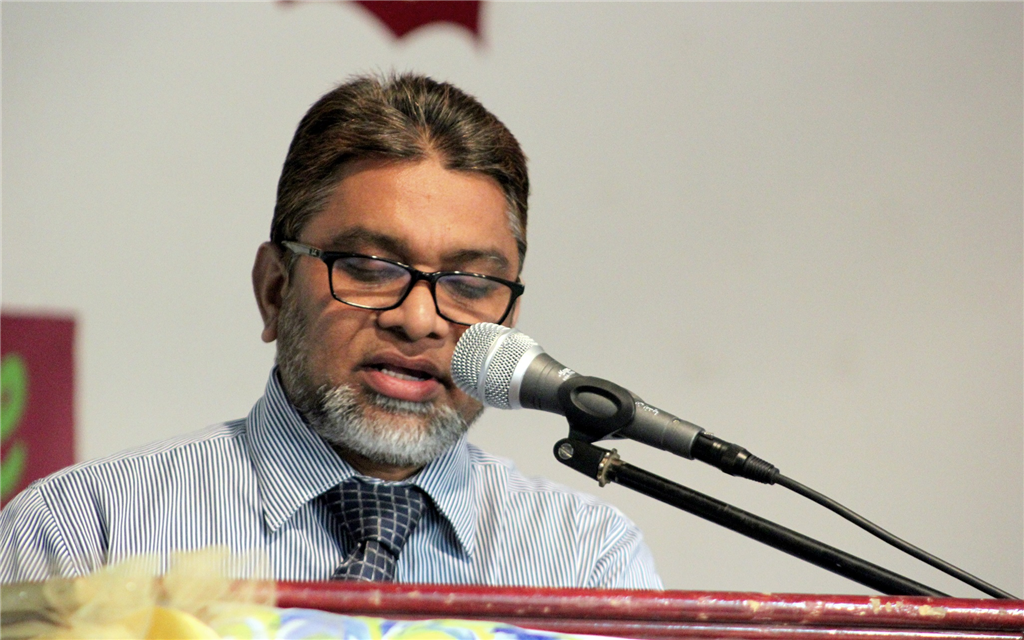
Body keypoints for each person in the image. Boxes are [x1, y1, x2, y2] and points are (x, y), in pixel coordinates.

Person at [0, 73, 661, 589]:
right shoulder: (87, 535)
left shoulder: (586, 560)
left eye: (469, 284)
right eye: (370, 267)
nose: (419, 320)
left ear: (509, 321)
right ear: (275, 289)